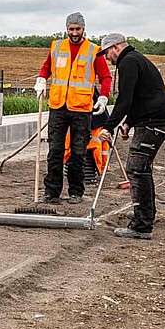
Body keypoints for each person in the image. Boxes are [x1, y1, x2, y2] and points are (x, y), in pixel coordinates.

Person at [97, 33, 165, 240]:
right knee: (141, 169)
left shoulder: (128, 62)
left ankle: (142, 225)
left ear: (115, 48)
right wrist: (128, 123)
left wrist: (109, 127)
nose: (106, 58)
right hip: (154, 121)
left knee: (136, 169)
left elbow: (125, 99)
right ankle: (146, 214)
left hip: (154, 123)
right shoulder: (135, 59)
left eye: (106, 53)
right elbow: (138, 97)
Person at [34, 12, 112, 204]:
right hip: (58, 107)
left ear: (83, 29)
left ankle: (76, 192)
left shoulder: (94, 50)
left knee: (78, 152)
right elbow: (47, 68)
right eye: (71, 29)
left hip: (82, 108)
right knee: (55, 151)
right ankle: (51, 192)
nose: (74, 32)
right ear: (66, 29)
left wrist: (103, 97)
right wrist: (41, 79)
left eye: (78, 29)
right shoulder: (57, 47)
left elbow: (106, 77)